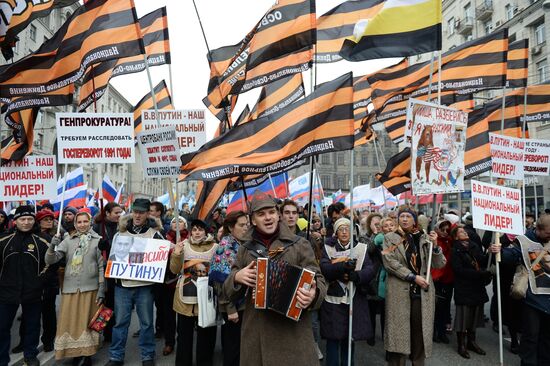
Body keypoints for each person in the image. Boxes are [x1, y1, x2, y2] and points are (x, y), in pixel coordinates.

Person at [223, 191, 327, 365]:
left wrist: (313, 295)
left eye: (271, 212)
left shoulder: (299, 244)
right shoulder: (245, 249)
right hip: (257, 336)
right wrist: (236, 277)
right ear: (253, 220)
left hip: (293, 334)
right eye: (261, 214)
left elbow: (319, 280)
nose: (268, 218)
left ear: (278, 215)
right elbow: (228, 292)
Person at [381, 205, 446, 366]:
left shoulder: (424, 237)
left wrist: (435, 245)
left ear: (414, 220)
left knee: (419, 333)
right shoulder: (390, 237)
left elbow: (439, 264)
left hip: (422, 293)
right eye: (401, 216)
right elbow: (390, 262)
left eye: (408, 216)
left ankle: (418, 362)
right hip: (399, 291)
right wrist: (412, 277)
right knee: (398, 334)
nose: (404, 219)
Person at [106, 198, 164, 366]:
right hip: (123, 286)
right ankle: (116, 356)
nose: (138, 215)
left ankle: (147, 356)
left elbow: (162, 258)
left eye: (141, 212)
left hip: (145, 287)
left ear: (147, 214)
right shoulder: (120, 233)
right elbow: (114, 258)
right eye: (135, 212)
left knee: (146, 323)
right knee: (120, 322)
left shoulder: (154, 234)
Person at [46, 209, 104, 365]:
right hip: (70, 288)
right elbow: (51, 260)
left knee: (89, 322)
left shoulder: (98, 240)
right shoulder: (67, 240)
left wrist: (102, 288)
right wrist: (52, 246)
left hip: (91, 289)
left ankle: (87, 354)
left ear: (90, 222)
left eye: (85, 221)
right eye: (79, 222)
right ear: (75, 224)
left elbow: (101, 267)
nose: (82, 224)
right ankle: (75, 353)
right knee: (71, 322)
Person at [497, 214, 550, 366]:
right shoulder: (523, 241)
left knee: (547, 338)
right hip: (533, 299)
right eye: (548, 233)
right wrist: (499, 251)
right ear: (538, 229)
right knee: (530, 337)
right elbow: (510, 256)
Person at [320, 217, 374, 365]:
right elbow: (324, 268)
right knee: (333, 338)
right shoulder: (328, 248)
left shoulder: (361, 248)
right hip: (333, 300)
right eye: (341, 229)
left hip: (354, 298)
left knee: (349, 339)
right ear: (336, 233)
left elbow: (370, 269)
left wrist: (357, 276)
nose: (344, 232)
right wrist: (342, 267)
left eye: (347, 229)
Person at [0, 206, 50, 366]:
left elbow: (51, 265)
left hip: (32, 292)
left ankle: (30, 355)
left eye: (30, 219)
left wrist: (39, 281)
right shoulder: (3, 240)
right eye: (22, 219)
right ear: (15, 221)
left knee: (32, 325)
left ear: (34, 220)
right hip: (6, 292)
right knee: (2, 328)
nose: (26, 222)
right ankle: (2, 359)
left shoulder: (43, 241)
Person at [170, 219, 218, 366]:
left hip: (207, 298)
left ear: (206, 231)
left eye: (200, 229)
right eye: (195, 229)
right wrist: (177, 254)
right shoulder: (182, 245)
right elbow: (174, 270)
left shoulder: (216, 247)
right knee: (184, 336)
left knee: (207, 335)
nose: (197, 232)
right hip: (185, 298)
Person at [209, 211, 249, 366]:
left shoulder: (242, 244)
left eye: (247, 224)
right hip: (233, 307)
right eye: (241, 225)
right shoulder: (225, 245)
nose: (246, 228)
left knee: (241, 346)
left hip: (245, 304)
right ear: (231, 227)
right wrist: (230, 308)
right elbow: (219, 281)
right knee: (232, 349)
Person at [450, 225, 492, 359]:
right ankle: (461, 345)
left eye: (464, 231)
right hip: (464, 287)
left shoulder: (474, 245)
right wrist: (479, 273)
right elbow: (458, 270)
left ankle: (471, 342)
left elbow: (482, 260)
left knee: (474, 316)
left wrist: (490, 252)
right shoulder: (455, 249)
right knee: (463, 318)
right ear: (456, 236)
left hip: (476, 287)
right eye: (461, 232)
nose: (465, 232)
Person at [159, 216, 188, 356]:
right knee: (169, 316)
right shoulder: (164, 238)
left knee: (183, 317)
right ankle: (169, 342)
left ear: (185, 225)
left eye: (180, 221)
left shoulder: (190, 238)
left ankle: (183, 342)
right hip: (168, 283)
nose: (177, 224)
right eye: (174, 222)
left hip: (184, 284)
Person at [94, 202, 123, 342]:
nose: (119, 215)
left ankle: (109, 332)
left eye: (120, 212)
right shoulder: (97, 227)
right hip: (102, 270)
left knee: (112, 302)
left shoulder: (122, 227)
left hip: (117, 270)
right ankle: (99, 330)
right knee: (103, 302)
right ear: (107, 213)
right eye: (116, 212)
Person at [432, 219, 454, 344]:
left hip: (448, 278)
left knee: (445, 307)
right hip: (436, 278)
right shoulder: (433, 241)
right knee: (436, 307)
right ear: (437, 229)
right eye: (442, 229)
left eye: (447, 230)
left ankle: (442, 332)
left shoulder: (450, 241)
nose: (445, 232)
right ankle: (435, 332)